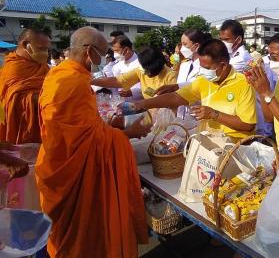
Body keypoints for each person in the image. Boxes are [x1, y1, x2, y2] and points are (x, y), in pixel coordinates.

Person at [35, 27, 149, 258]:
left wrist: (112, 126)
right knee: (87, 234)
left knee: (80, 235)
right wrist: (127, 132)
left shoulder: (61, 73)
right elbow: (84, 139)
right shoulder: (71, 82)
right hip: (72, 171)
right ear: (89, 52)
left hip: (60, 164)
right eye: (103, 53)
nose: (104, 59)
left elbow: (84, 128)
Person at [134, 39, 257, 141]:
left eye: (207, 68)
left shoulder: (243, 83)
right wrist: (142, 104)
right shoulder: (203, 80)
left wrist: (214, 114)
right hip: (209, 142)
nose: (203, 72)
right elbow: (176, 98)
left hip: (235, 146)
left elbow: (248, 125)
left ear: (223, 65)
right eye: (201, 67)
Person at [220, 20, 275, 137]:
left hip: (251, 116)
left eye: (226, 40)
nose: (223, 43)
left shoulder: (242, 59)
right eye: (221, 39)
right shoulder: (231, 56)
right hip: (241, 112)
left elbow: (218, 74)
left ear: (238, 40)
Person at [0, 28, 50, 144]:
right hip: (20, 124)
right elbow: (13, 99)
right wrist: (50, 97)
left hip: (42, 121)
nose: (45, 53)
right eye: (41, 48)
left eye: (47, 49)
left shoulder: (42, 66)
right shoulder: (14, 67)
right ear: (25, 44)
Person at [155, 29, 210, 118]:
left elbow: (196, 85)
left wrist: (175, 87)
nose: (182, 48)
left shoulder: (207, 66)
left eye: (185, 44)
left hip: (197, 115)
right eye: (181, 44)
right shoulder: (184, 65)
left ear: (196, 46)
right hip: (181, 116)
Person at [92, 46, 177, 99]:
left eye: (147, 70)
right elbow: (118, 81)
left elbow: (167, 100)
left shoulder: (171, 77)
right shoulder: (141, 71)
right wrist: (91, 80)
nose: (144, 72)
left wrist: (140, 104)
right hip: (150, 116)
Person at [110, 35, 142, 101]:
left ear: (126, 50)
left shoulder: (141, 63)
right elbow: (114, 87)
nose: (114, 54)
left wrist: (132, 92)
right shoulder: (116, 66)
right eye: (113, 51)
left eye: (117, 51)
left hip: (140, 104)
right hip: (121, 104)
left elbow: (148, 84)